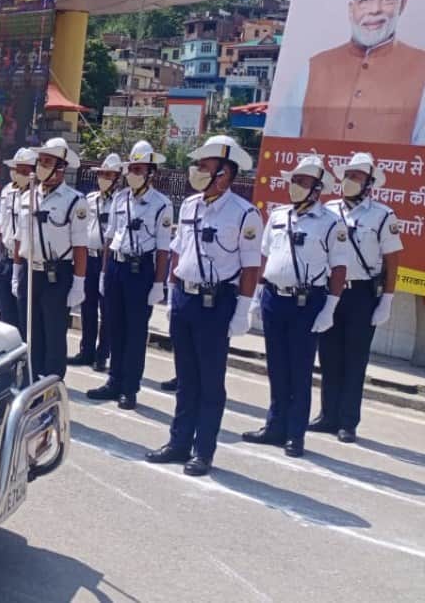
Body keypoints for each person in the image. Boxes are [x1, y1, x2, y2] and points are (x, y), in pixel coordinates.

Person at [145, 136, 262, 476]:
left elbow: (252, 266)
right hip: (185, 297)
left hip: (217, 302)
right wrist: (170, 293)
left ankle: (203, 450)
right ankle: (179, 442)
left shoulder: (245, 214)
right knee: (186, 378)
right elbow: (179, 251)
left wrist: (243, 310)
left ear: (224, 172)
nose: (196, 171)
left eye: (204, 166)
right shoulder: (191, 205)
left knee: (210, 381)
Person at [243, 156, 346, 458]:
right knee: (276, 367)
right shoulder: (277, 215)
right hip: (275, 298)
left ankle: (294, 434)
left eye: (302, 182)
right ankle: (274, 426)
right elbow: (265, 257)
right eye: (293, 181)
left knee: (299, 370)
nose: (295, 187)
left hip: (306, 302)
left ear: (317, 189)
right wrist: (258, 296)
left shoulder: (330, 223)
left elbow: (339, 268)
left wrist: (330, 308)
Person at [282, 0, 425, 143]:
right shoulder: (313, 68)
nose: (375, 10)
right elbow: (283, 141)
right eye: (366, 0)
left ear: (403, 3)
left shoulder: (421, 68)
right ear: (352, 9)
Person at [314, 152, 402, 442]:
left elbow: (392, 260)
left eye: (356, 177)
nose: (349, 181)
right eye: (347, 176)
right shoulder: (329, 209)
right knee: (328, 355)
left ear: (369, 183)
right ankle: (328, 415)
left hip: (361, 294)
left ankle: (348, 421)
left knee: (354, 359)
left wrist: (386, 299)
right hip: (330, 292)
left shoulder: (382, 215)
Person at [87, 141, 172, 409]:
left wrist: (159, 283)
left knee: (135, 332)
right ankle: (113, 381)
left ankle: (129, 388)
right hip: (115, 266)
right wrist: (103, 272)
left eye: (138, 169)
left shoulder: (162, 205)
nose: (133, 173)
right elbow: (110, 238)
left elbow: (162, 249)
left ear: (150, 172)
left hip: (140, 270)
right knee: (114, 326)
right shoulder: (120, 198)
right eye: (131, 169)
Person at [12, 137, 87, 379]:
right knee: (29, 332)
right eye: (41, 161)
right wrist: (16, 272)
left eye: (47, 162)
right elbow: (18, 237)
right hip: (29, 272)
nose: (41, 166)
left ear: (61, 168)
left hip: (57, 274)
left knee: (54, 335)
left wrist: (78, 284)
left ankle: (52, 388)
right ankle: (32, 382)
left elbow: (80, 246)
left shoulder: (75, 201)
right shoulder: (27, 196)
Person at [70, 153, 123, 371]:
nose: (103, 178)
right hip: (89, 258)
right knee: (87, 307)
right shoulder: (90, 199)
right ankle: (86, 351)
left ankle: (103, 354)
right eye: (101, 174)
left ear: (117, 177)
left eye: (108, 174)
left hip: (107, 259)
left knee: (107, 310)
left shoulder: (121, 201)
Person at [0, 148, 35, 329]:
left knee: (24, 315)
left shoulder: (37, 196)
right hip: (7, 258)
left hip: (25, 262)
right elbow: (1, 223)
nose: (19, 174)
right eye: (17, 170)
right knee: (6, 312)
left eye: (24, 171)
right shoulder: (7, 191)